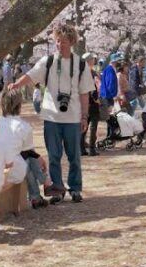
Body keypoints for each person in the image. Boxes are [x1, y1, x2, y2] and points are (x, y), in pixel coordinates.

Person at [5, 22, 94, 204]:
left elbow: (84, 93)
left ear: (72, 42)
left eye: (64, 41)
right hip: (51, 117)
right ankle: (57, 189)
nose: (60, 45)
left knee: (74, 156)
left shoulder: (81, 65)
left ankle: (75, 188)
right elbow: (31, 75)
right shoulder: (48, 61)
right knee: (54, 156)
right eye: (57, 41)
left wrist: (84, 116)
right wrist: (16, 85)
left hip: (73, 117)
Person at [0, 90, 50, 208]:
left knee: (27, 160)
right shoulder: (23, 126)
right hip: (12, 170)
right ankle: (43, 184)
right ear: (19, 105)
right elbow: (29, 152)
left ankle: (37, 194)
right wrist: (40, 158)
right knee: (29, 161)